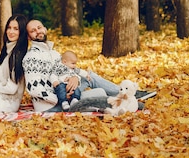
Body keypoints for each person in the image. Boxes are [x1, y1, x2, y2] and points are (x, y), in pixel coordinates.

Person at [23, 19, 155, 112]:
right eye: (33, 31)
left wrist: (75, 78)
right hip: (51, 104)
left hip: (67, 90)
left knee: (89, 76)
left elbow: (68, 71)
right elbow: (33, 88)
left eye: (39, 27)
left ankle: (128, 94)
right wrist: (60, 97)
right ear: (29, 37)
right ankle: (128, 100)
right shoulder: (31, 57)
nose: (37, 31)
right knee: (100, 92)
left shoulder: (55, 53)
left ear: (45, 29)